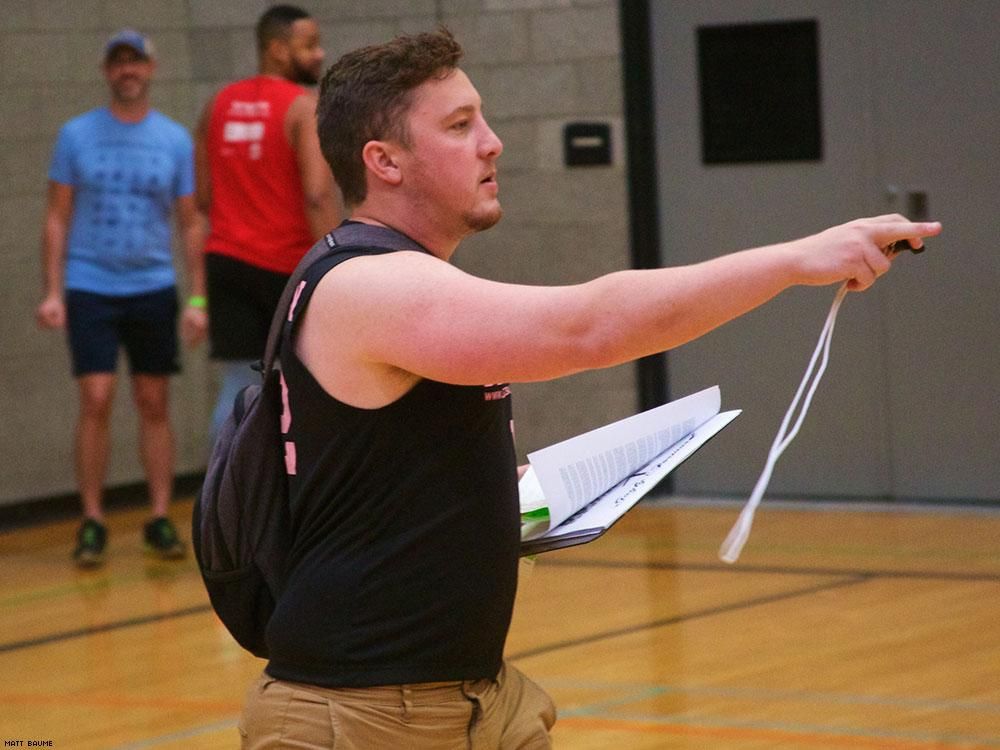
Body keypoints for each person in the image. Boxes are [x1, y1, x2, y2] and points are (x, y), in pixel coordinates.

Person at [236, 28, 942, 749]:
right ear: (383, 162)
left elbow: (394, 493)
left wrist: (534, 500)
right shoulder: (366, 284)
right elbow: (585, 328)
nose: (492, 142)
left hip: (478, 699)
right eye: (458, 126)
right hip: (361, 716)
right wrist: (796, 259)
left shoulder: (413, 282)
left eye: (481, 116)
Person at [36, 29, 207, 568]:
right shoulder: (76, 135)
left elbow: (190, 222)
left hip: (152, 286)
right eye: (118, 63)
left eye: (136, 62)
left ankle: (159, 517)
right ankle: (92, 519)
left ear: (151, 70)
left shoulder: (175, 141)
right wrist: (52, 290)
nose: (127, 71)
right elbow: (57, 216)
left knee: (153, 402)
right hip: (90, 285)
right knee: (96, 398)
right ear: (107, 71)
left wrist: (198, 298)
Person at [195, 4, 341, 443]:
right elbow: (318, 194)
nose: (319, 54)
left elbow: (203, 197)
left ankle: (225, 492)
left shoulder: (216, 105)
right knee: (310, 385)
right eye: (309, 45)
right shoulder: (302, 108)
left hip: (226, 264)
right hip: (285, 268)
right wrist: (337, 264)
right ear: (278, 50)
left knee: (238, 385)